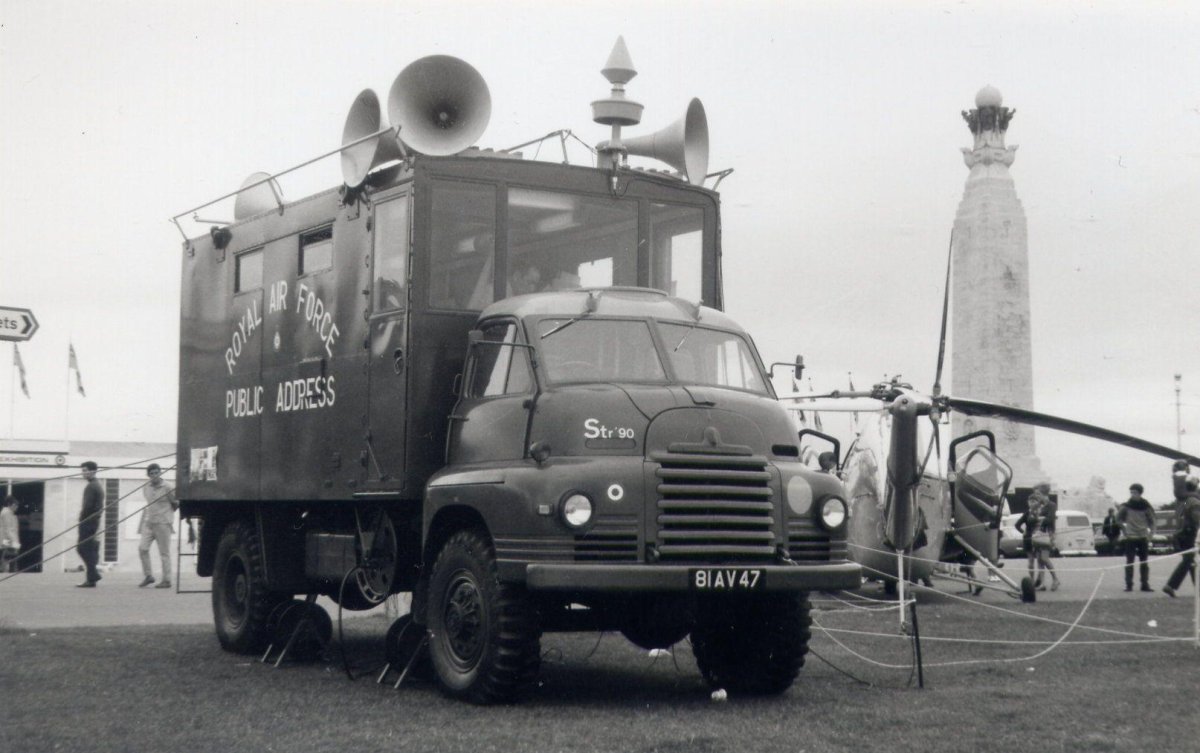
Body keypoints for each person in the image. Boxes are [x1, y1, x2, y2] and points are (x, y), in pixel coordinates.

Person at [138, 463, 178, 589]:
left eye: (157, 472)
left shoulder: (168, 487)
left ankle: (166, 580)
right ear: (148, 475)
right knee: (142, 548)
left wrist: (166, 515)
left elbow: (176, 503)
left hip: (163, 523)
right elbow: (148, 502)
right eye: (152, 473)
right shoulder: (146, 487)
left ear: (160, 473)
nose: (154, 475)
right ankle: (148, 576)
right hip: (149, 522)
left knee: (164, 553)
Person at [1163, 473, 1200, 597]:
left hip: (1181, 534)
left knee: (1190, 562)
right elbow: (1197, 519)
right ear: (1196, 486)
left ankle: (1197, 589)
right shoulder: (1194, 501)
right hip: (1190, 534)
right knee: (1189, 561)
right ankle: (1170, 585)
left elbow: (1181, 517)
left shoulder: (1183, 501)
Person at [1117, 482, 1156, 592]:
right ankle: (1129, 585)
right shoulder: (1126, 506)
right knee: (1130, 561)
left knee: (1144, 562)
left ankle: (1145, 584)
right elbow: (1118, 519)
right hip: (1131, 538)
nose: (1132, 495)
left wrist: (1151, 534)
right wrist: (1124, 530)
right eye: (1131, 492)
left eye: (1135, 492)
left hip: (1143, 537)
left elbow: (1152, 521)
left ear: (1140, 493)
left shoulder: (1146, 506)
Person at [76, 461, 104, 588]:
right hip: (94, 521)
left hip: (88, 521)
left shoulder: (92, 486)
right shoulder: (97, 485)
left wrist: (81, 519)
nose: (83, 473)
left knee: (82, 548)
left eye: (85, 470)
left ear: (93, 471)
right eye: (82, 470)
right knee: (90, 548)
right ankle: (92, 577)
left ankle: (93, 574)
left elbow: (87, 507)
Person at [0, 495, 20, 573]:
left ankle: (7, 571)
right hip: (7, 539)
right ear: (9, 504)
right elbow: (8, 529)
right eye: (14, 505)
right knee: (8, 556)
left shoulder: (9, 513)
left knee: (9, 557)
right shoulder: (6, 513)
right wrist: (15, 542)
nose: (16, 507)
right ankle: (6, 572)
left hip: (7, 539)